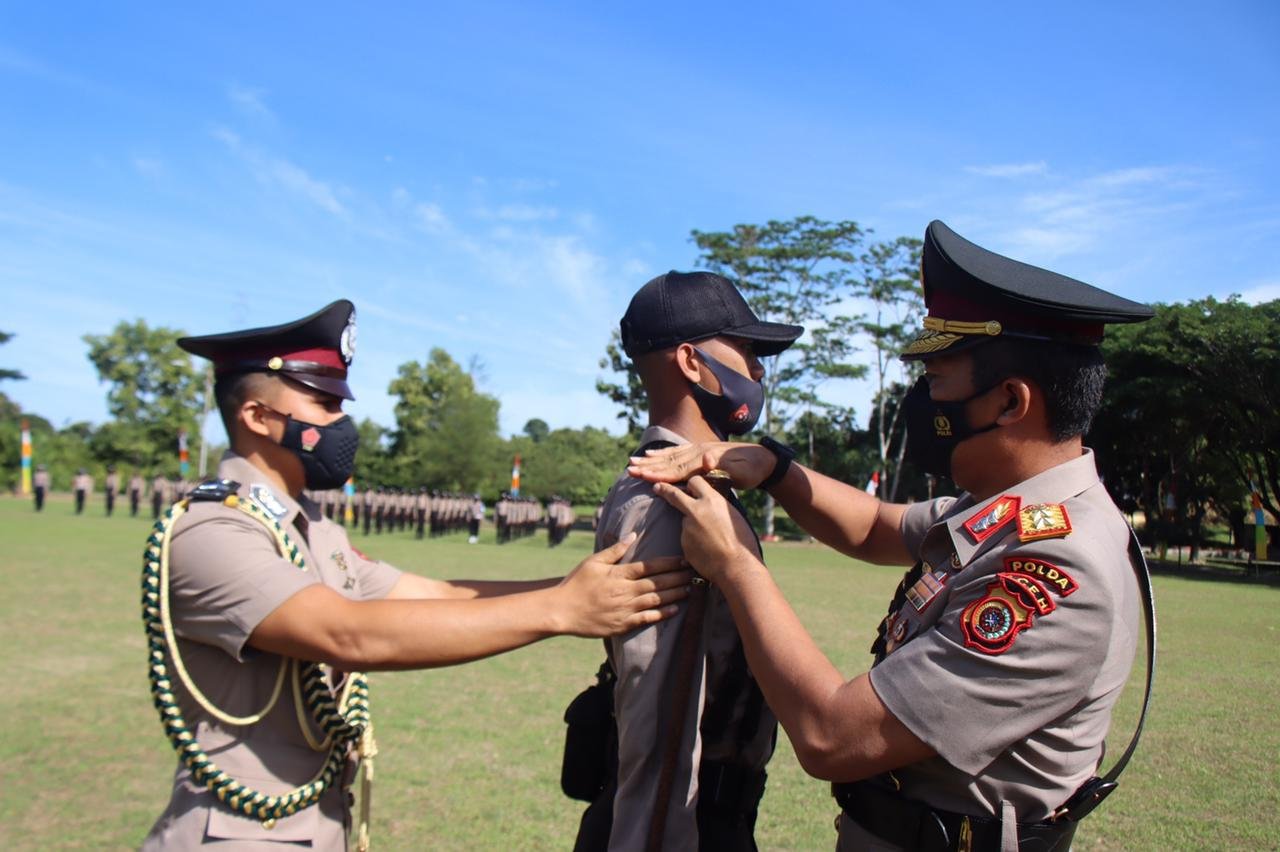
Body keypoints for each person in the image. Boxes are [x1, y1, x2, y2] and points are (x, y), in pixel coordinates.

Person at [631, 221, 1156, 852]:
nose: (923, 406)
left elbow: (832, 735)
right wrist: (775, 470)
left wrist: (737, 564)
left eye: (937, 385)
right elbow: (874, 525)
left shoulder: (1059, 568)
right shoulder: (1002, 511)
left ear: (1010, 403)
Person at [142, 299, 692, 850]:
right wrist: (563, 610)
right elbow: (346, 634)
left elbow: (430, 594)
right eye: (324, 403)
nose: (343, 423)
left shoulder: (312, 527)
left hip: (318, 819)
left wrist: (576, 585)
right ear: (258, 416)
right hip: (238, 831)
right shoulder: (212, 529)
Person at [569, 270, 803, 852]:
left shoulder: (681, 478)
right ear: (692, 362)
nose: (757, 370)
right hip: (681, 826)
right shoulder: (672, 500)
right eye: (747, 350)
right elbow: (664, 721)